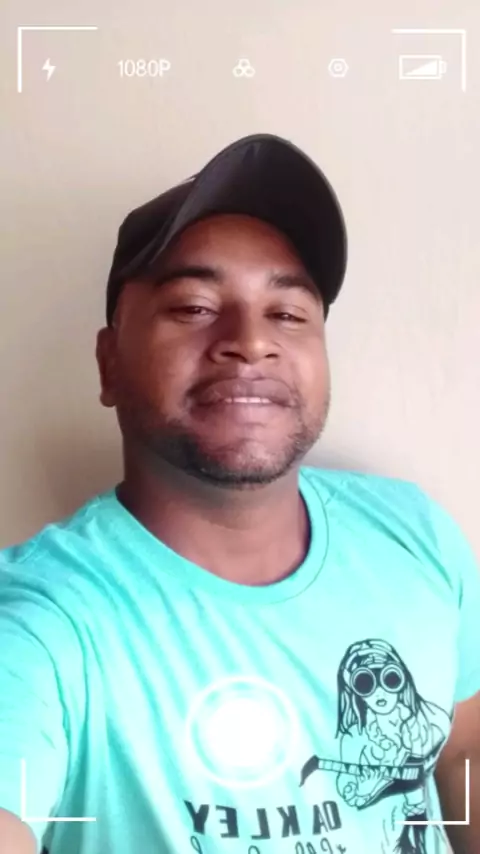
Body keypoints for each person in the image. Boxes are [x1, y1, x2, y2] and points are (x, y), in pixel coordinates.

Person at [0, 133, 478, 854]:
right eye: (194, 307)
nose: (251, 341)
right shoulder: (43, 622)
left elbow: (463, 741)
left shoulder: (414, 531)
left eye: (288, 313)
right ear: (109, 363)